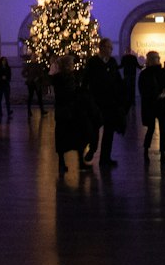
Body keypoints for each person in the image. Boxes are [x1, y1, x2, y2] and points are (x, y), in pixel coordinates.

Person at [83, 37, 126, 167]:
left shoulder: (112, 62)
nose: (110, 50)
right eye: (108, 47)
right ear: (101, 48)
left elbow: (117, 79)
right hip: (96, 100)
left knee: (109, 131)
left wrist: (121, 95)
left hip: (110, 102)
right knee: (95, 129)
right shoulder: (93, 62)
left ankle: (105, 158)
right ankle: (92, 149)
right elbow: (86, 79)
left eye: (111, 48)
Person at [52, 55, 90, 175]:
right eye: (71, 63)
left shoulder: (62, 77)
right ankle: (75, 161)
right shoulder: (66, 78)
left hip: (64, 111)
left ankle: (63, 163)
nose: (73, 65)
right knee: (76, 135)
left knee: (66, 138)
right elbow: (69, 93)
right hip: (68, 111)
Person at [139, 51, 165, 168]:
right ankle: (146, 150)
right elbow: (143, 89)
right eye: (153, 58)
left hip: (159, 104)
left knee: (162, 129)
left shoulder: (161, 72)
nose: (156, 59)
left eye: (156, 58)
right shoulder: (146, 74)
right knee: (151, 128)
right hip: (151, 104)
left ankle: (163, 154)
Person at [121, 48, 142, 112]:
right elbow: (137, 65)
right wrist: (143, 66)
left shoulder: (124, 57)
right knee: (132, 88)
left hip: (126, 75)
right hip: (133, 75)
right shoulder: (133, 57)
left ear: (126, 51)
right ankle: (133, 102)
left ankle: (127, 101)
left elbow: (121, 65)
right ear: (131, 51)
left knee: (127, 88)